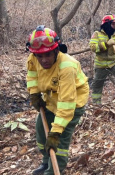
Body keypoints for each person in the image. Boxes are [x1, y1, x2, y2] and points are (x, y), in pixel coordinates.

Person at [26, 25, 89, 175]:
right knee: (42, 133)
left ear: (56, 50)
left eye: (47, 55)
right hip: (51, 99)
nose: (43, 60)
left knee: (58, 142)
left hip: (72, 103)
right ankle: (46, 162)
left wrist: (56, 132)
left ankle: (54, 170)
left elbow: (67, 103)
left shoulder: (67, 66)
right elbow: (32, 74)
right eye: (39, 56)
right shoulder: (33, 58)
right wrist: (34, 94)